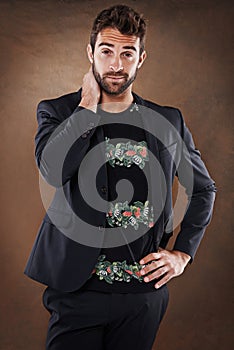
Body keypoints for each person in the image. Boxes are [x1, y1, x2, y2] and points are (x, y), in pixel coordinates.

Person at [24, 4, 216, 350]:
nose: (116, 64)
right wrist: (86, 106)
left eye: (127, 53)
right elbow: (53, 171)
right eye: (106, 51)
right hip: (76, 293)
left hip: (142, 296)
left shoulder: (168, 120)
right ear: (90, 53)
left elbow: (203, 189)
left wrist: (182, 255)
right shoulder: (58, 111)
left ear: (141, 58)